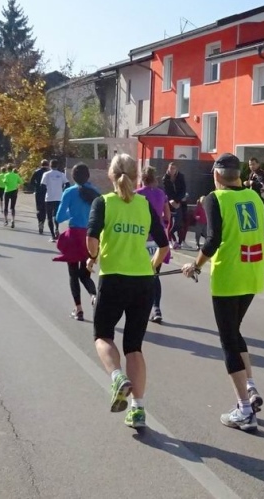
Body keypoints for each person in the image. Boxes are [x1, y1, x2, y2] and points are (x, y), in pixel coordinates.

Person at [181, 153, 264, 433]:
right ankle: (249, 387)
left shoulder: (215, 199)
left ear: (216, 175)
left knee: (228, 340)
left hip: (228, 277)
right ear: (239, 175)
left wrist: (195, 265)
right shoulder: (254, 196)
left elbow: (212, 240)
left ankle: (245, 410)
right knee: (234, 331)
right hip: (251, 274)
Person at [86, 154, 169, 429]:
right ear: (136, 177)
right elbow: (164, 246)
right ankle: (138, 409)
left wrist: (93, 257)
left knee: (103, 336)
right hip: (143, 281)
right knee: (134, 346)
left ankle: (117, 377)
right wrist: (152, 267)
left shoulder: (103, 202)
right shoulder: (144, 204)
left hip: (113, 278)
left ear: (110, 175)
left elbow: (91, 239)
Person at [54, 163, 99, 321]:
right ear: (88, 176)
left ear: (73, 177)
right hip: (90, 236)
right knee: (85, 275)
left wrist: (71, 213)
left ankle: (78, 309)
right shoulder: (96, 193)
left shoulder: (69, 192)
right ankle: (94, 295)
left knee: (73, 275)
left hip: (74, 236)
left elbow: (59, 217)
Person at [136, 166, 172, 324]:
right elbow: (167, 215)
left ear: (142, 178)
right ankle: (156, 308)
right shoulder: (161, 194)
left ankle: (141, 308)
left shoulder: (137, 194)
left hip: (142, 238)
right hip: (158, 240)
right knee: (155, 274)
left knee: (139, 275)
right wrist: (163, 226)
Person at [41, 159, 68, 242]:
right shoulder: (61, 174)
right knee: (56, 215)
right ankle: (57, 228)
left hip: (49, 198)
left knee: (49, 217)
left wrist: (47, 190)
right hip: (59, 197)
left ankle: (52, 235)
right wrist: (62, 190)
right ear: (57, 166)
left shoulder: (46, 174)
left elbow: (42, 185)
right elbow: (67, 184)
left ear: (50, 165)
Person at [163, 162, 188, 249]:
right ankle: (169, 240)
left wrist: (177, 201)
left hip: (179, 201)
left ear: (176, 169)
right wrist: (171, 201)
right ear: (168, 168)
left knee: (180, 223)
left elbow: (183, 190)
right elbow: (167, 191)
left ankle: (180, 242)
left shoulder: (181, 177)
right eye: (170, 168)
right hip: (170, 202)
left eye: (173, 168)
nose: (172, 170)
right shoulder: (165, 178)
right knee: (170, 222)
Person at [30, 159, 50, 234]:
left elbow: (31, 182)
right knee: (44, 209)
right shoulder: (48, 173)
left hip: (38, 192)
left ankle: (39, 222)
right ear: (47, 165)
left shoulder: (37, 171)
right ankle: (42, 223)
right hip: (47, 192)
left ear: (41, 165)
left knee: (39, 208)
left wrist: (37, 186)